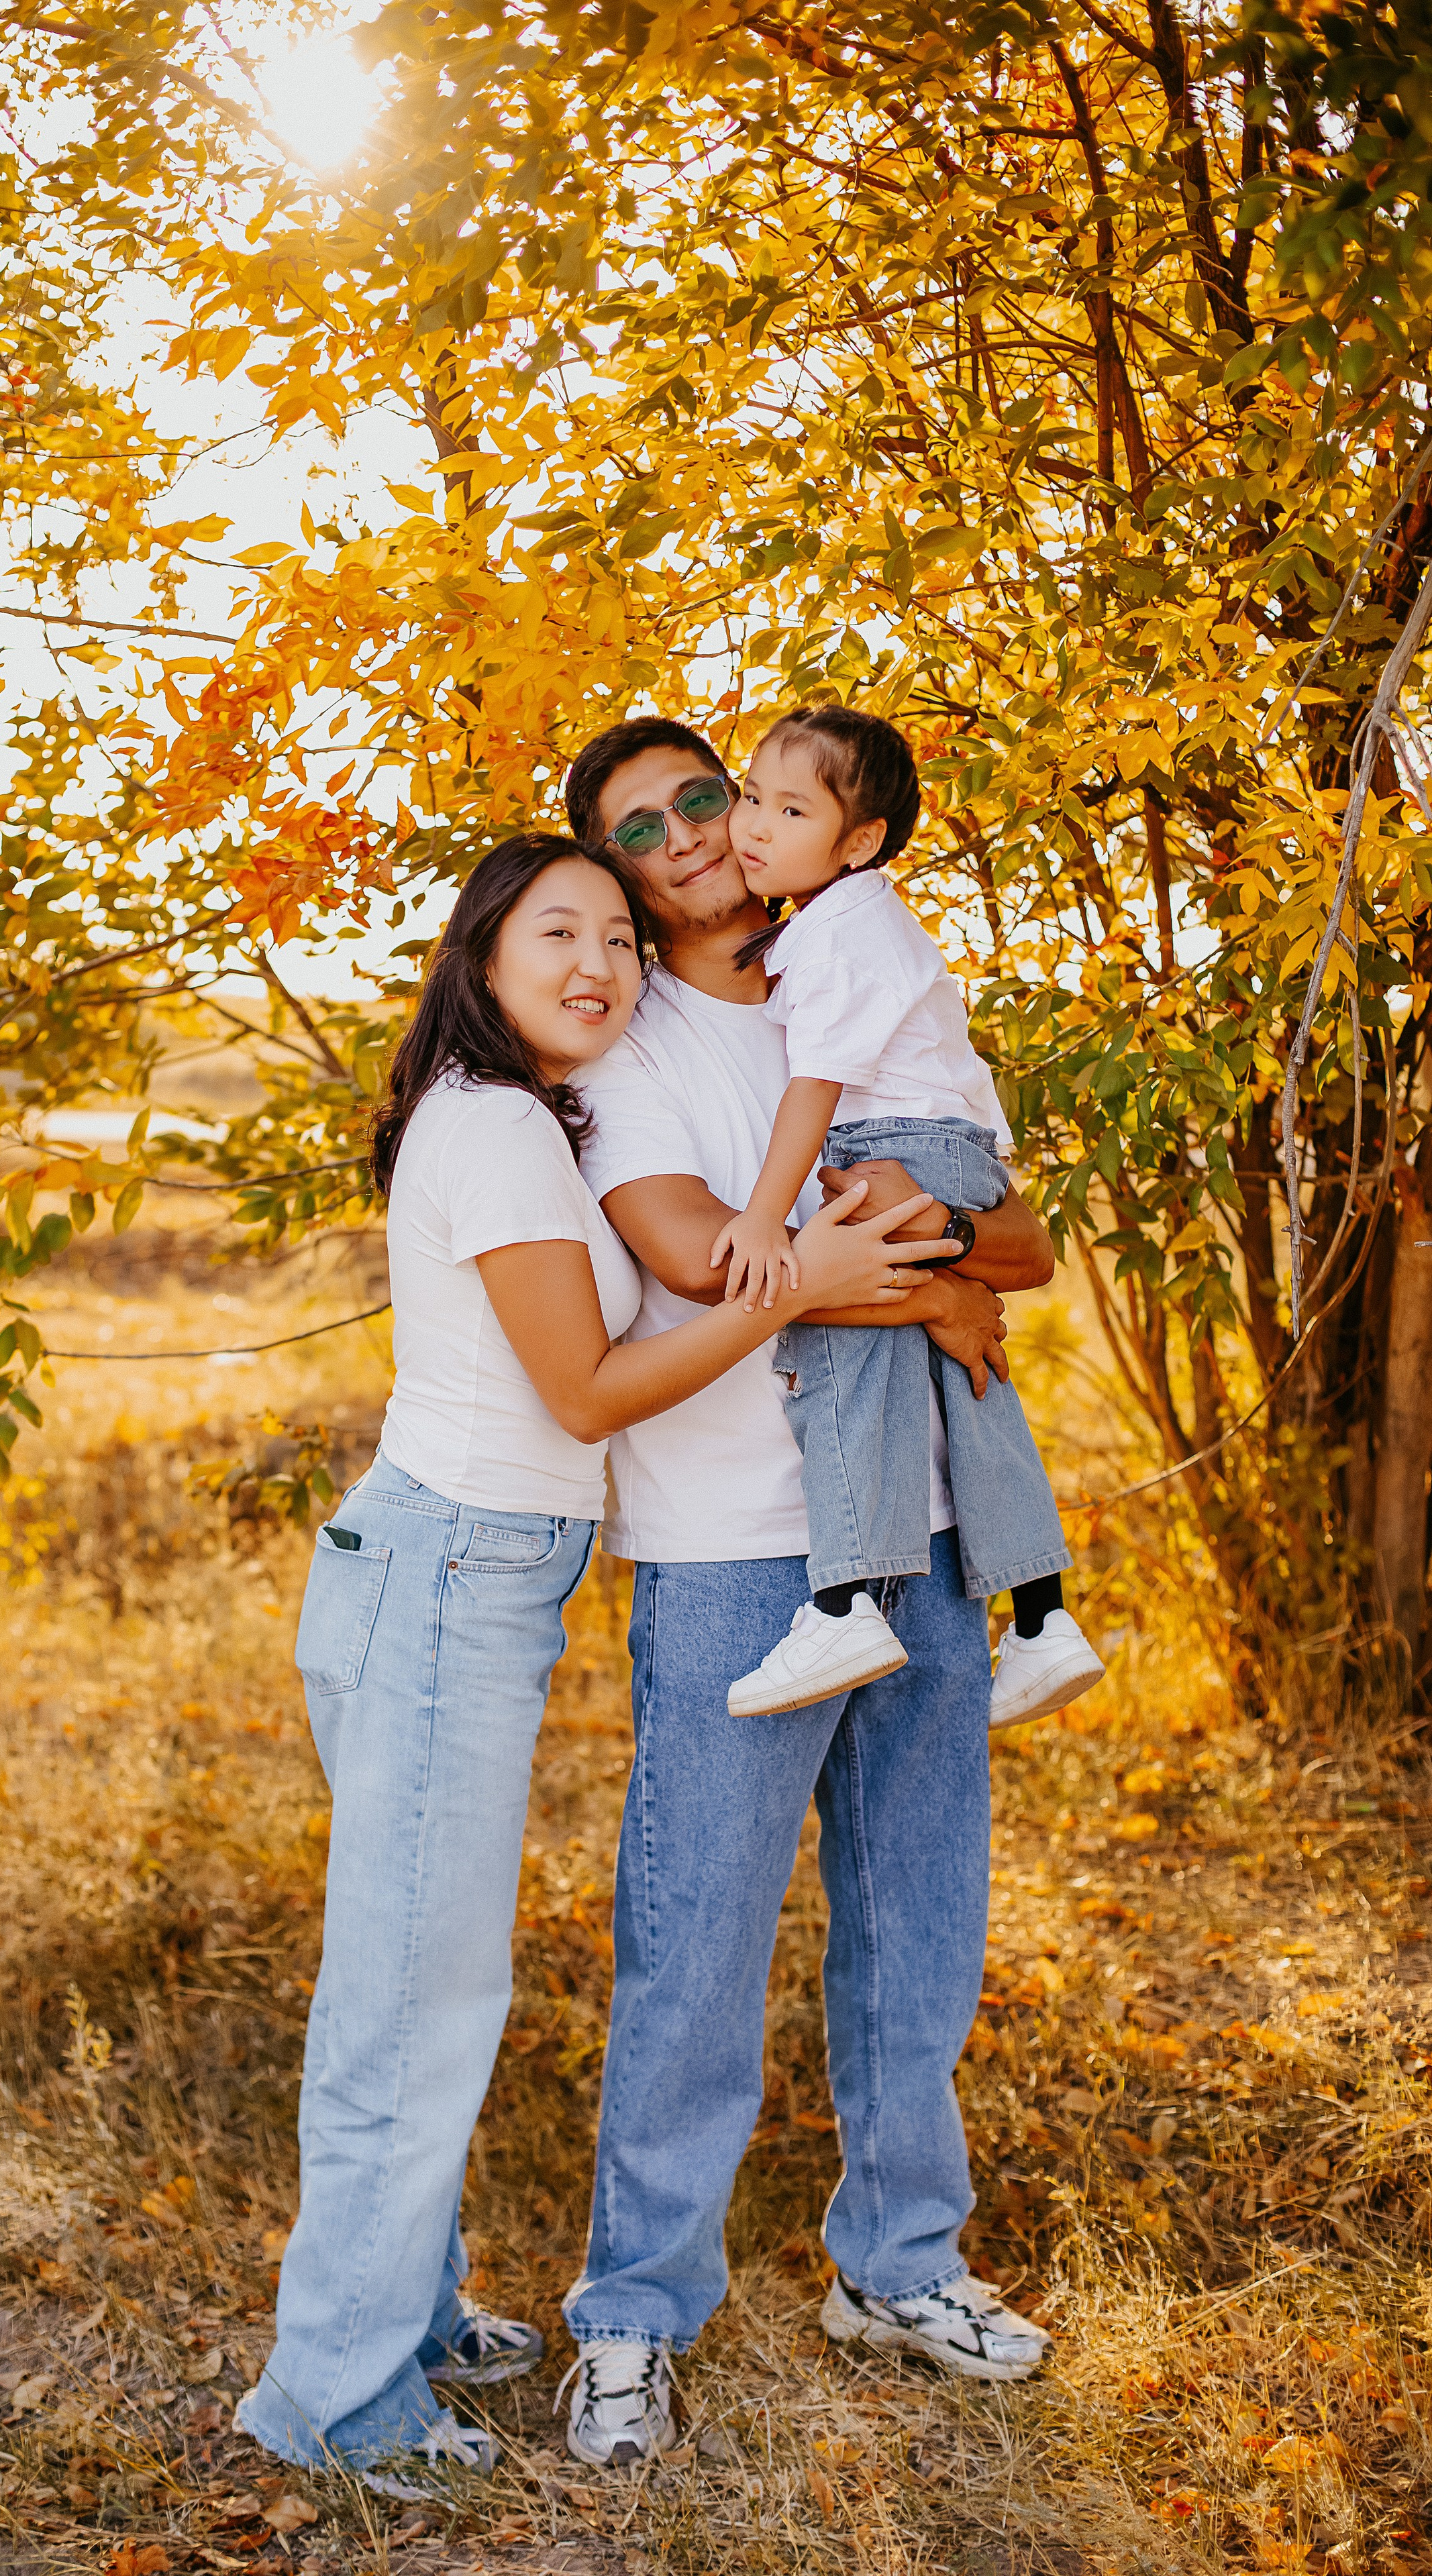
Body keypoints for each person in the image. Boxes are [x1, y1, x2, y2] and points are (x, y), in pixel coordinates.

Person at [234, 830, 947, 2486]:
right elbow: (589, 1393)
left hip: (480, 1571)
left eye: (620, 938)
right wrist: (801, 1289)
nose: (600, 962)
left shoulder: (526, 1125)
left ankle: (401, 2320)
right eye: (557, 931)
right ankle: (333, 2405)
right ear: (479, 960)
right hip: (445, 1571)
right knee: (407, 2003)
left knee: (433, 1977)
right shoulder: (488, 1128)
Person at [555, 718, 1057, 2471]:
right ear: (618, 875)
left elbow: (1023, 1237)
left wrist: (919, 1264)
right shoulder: (618, 1051)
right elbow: (708, 1260)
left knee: (919, 1934)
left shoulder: (864, 963)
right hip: (730, 1557)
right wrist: (927, 1287)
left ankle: (900, 2265)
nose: (690, 833)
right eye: (644, 828)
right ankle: (630, 2325)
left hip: (912, 1537)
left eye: (708, 794)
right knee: (692, 1948)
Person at [713, 705, 1106, 1729]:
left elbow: (816, 1088)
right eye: (751, 795)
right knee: (969, 1378)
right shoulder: (855, 919)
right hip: (946, 1146)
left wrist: (764, 1219)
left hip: (892, 1144)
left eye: (790, 809)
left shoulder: (839, 937)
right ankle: (1041, 1616)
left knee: (835, 1338)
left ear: (860, 842)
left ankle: (847, 1602)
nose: (752, 824)